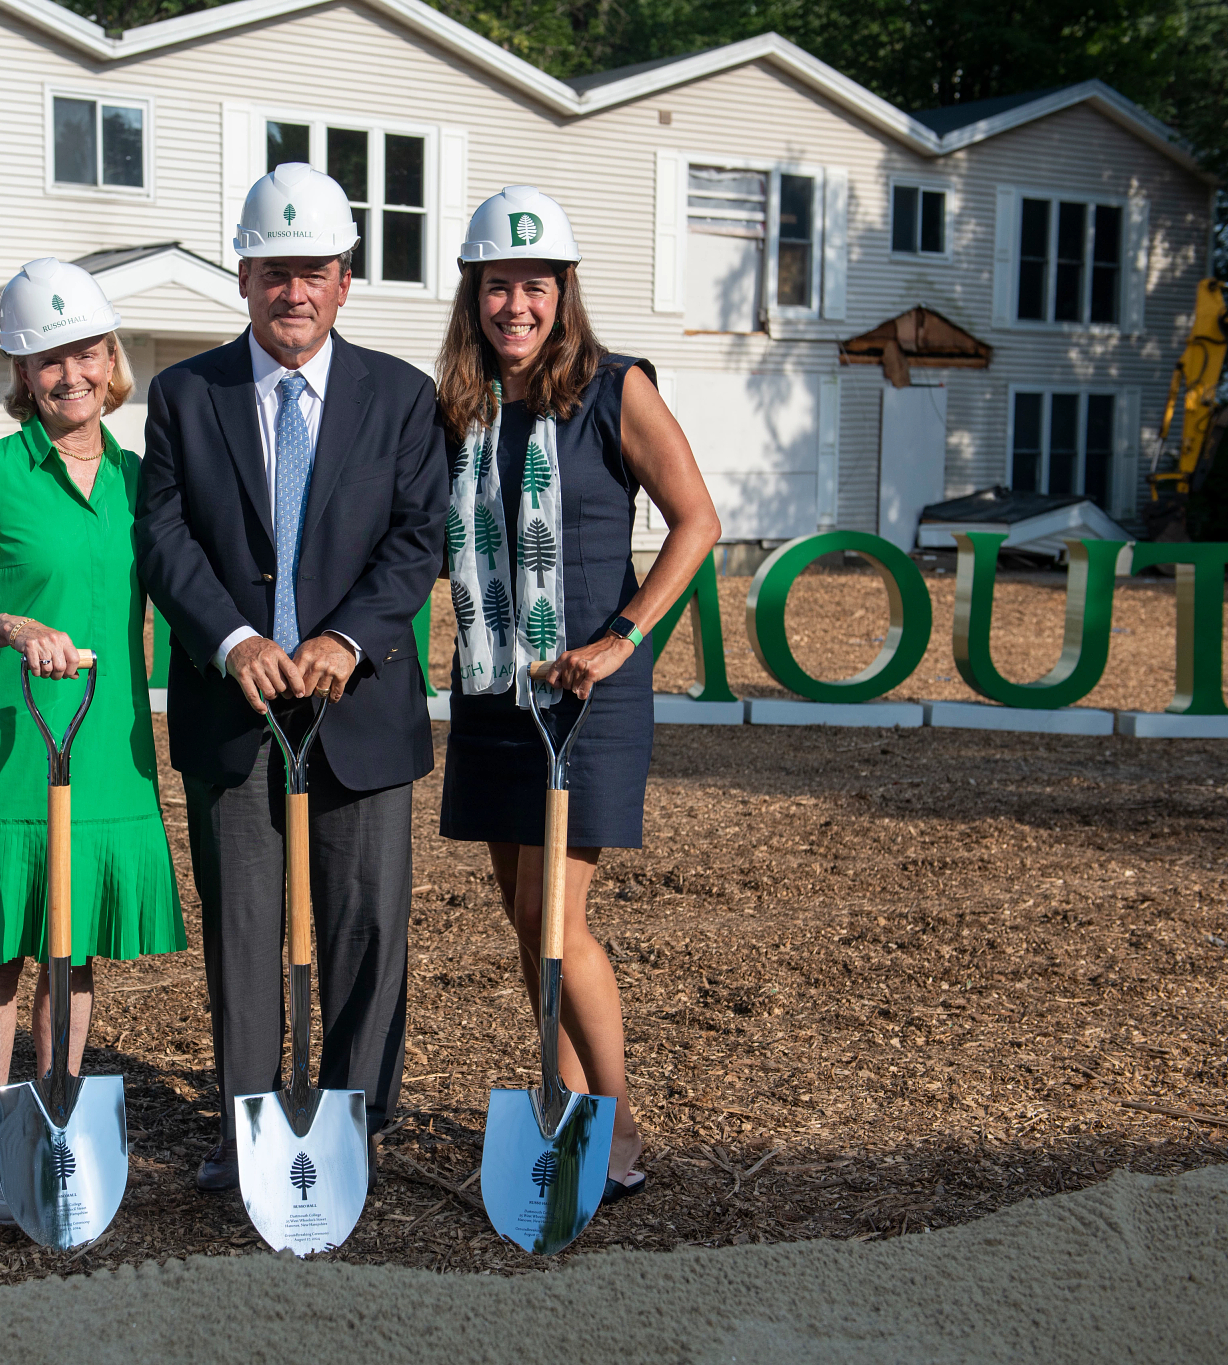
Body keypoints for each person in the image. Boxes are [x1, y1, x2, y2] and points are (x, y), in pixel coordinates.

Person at [136, 163, 448, 1192]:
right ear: (241, 275)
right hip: (236, 711)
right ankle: (251, 1129)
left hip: (358, 710)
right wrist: (232, 640)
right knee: (242, 935)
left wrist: (346, 641)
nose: (292, 292)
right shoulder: (187, 394)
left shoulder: (400, 398)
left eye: (312, 271)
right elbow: (164, 535)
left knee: (364, 930)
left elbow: (415, 539)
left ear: (345, 280)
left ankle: (351, 1126)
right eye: (273, 271)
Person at [435, 186, 721, 1200]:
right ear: (473, 296)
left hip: (585, 698)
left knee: (556, 919)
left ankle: (617, 1122)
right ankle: (560, 1110)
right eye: (497, 287)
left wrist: (620, 639)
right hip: (492, 694)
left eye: (535, 286)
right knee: (525, 915)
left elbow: (694, 522)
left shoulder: (613, 388)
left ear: (564, 293)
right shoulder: (463, 409)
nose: (516, 306)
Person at [0, 258, 186, 1225]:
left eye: (86, 353)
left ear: (113, 360)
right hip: (11, 742)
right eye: (46, 359)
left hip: (106, 744)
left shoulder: (141, 481)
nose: (70, 374)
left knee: (73, 958)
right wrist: (14, 629)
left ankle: (54, 1123)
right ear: (22, 372)